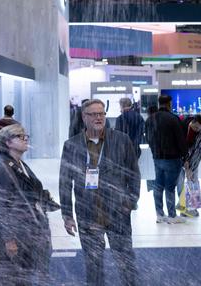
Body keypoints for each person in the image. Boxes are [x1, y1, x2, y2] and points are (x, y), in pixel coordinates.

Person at [59, 99, 140, 286]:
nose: (98, 117)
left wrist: (130, 201)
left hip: (118, 212)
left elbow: (134, 174)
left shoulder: (122, 140)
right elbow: (65, 181)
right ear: (84, 117)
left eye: (101, 114)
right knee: (93, 265)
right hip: (88, 214)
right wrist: (67, 214)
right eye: (93, 114)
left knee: (126, 262)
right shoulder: (71, 145)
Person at [0, 123, 58, 286]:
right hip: (16, 235)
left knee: (24, 277)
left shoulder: (21, 166)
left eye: (25, 136)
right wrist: (9, 240)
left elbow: (29, 193)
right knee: (13, 278)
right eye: (20, 137)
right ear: (8, 143)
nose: (25, 140)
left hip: (29, 233)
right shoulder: (3, 170)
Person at [145, 95, 187, 224]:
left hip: (157, 157)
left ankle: (159, 214)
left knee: (158, 186)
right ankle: (172, 216)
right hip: (172, 158)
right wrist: (184, 156)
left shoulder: (150, 119)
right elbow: (180, 140)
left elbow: (148, 138)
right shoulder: (173, 119)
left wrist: (154, 152)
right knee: (170, 187)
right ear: (169, 103)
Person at [176, 115, 201, 217]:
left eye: (200, 128)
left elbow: (199, 151)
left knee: (193, 181)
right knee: (180, 184)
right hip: (179, 158)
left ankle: (192, 208)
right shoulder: (182, 126)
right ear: (192, 122)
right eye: (196, 127)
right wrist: (185, 161)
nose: (197, 130)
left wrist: (191, 168)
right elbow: (179, 145)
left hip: (193, 159)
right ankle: (183, 208)